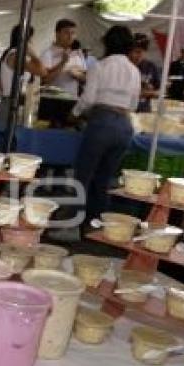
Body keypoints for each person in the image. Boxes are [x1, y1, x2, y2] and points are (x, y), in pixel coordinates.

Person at [72, 25, 140, 225]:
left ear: (107, 43)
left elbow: (88, 99)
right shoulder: (134, 70)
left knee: (83, 175)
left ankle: (72, 224)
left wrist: (74, 113)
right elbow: (133, 105)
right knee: (105, 178)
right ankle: (96, 225)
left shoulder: (99, 66)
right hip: (125, 126)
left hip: (102, 122)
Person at [39, 19, 87, 96]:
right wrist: (62, 63)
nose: (70, 36)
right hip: (52, 99)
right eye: (66, 33)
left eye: (73, 33)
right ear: (57, 34)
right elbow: (44, 80)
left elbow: (85, 77)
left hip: (72, 99)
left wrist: (78, 75)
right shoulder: (47, 54)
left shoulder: (78, 53)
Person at [0, 24, 46, 97]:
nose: (33, 41)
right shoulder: (16, 55)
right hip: (12, 101)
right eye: (31, 38)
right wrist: (33, 54)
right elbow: (42, 72)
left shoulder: (12, 53)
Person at [129, 33, 161, 107]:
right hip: (126, 110)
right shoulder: (125, 66)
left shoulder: (151, 67)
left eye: (139, 52)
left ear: (145, 52)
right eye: (132, 52)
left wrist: (151, 92)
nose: (134, 55)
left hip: (144, 110)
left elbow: (160, 91)